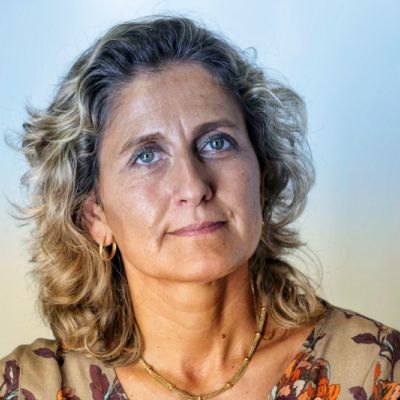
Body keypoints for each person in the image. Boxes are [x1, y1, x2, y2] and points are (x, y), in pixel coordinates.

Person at [0, 15, 399, 400]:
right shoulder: (29, 388)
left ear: (261, 178)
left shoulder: (376, 373)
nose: (193, 187)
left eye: (216, 143)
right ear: (95, 216)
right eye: (146, 155)